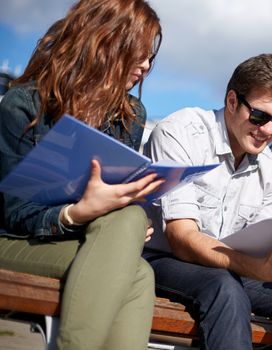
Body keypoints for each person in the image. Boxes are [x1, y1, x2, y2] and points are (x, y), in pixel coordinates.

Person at [143, 53, 272, 350]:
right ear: (232, 101)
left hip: (229, 269)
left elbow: (256, 247)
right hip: (161, 258)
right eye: (260, 116)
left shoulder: (271, 168)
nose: (267, 131)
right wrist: (255, 267)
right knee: (224, 286)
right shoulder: (180, 132)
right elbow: (181, 237)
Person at [0, 1, 162, 349]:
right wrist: (78, 212)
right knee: (134, 267)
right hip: (14, 239)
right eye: (138, 53)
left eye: (150, 56)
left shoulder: (130, 115)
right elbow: (14, 214)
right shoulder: (24, 105)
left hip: (86, 242)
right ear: (104, 42)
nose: (146, 65)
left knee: (133, 232)